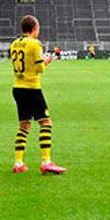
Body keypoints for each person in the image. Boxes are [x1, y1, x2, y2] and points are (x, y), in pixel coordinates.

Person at [10, 15, 67, 174]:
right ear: (35, 28)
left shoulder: (14, 43)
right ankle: (46, 162)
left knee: (24, 126)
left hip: (17, 88)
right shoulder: (34, 44)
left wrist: (47, 58)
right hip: (31, 88)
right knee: (46, 122)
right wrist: (49, 59)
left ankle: (18, 162)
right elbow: (40, 68)